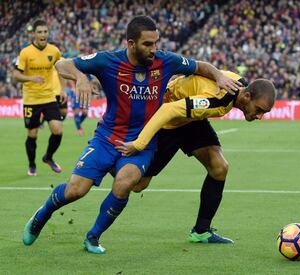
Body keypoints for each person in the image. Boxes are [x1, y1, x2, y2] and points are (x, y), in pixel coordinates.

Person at [22, 15, 242, 254]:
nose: (153, 49)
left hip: (142, 142)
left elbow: (199, 66)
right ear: (130, 43)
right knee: (76, 190)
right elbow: (62, 64)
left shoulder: (166, 61)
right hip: (106, 137)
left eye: (156, 43)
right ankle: (42, 214)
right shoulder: (108, 61)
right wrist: (81, 77)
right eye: (147, 44)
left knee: (126, 183)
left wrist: (219, 76)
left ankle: (93, 237)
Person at [115, 71, 276, 244]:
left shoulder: (238, 83)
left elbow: (202, 74)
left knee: (219, 167)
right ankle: (109, 157)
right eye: (259, 110)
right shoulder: (217, 101)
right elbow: (169, 109)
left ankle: (201, 231)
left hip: (190, 119)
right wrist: (140, 143)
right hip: (168, 120)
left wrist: (182, 79)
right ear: (247, 95)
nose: (260, 116)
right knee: (139, 185)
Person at [12, 19, 64, 176]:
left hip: (48, 97)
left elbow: (61, 69)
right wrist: (31, 78)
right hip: (31, 99)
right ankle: (32, 165)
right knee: (32, 134)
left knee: (58, 130)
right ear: (34, 34)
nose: (43, 35)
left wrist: (62, 89)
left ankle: (48, 157)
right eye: (39, 32)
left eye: (45, 32)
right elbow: (15, 74)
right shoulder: (26, 52)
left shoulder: (54, 51)